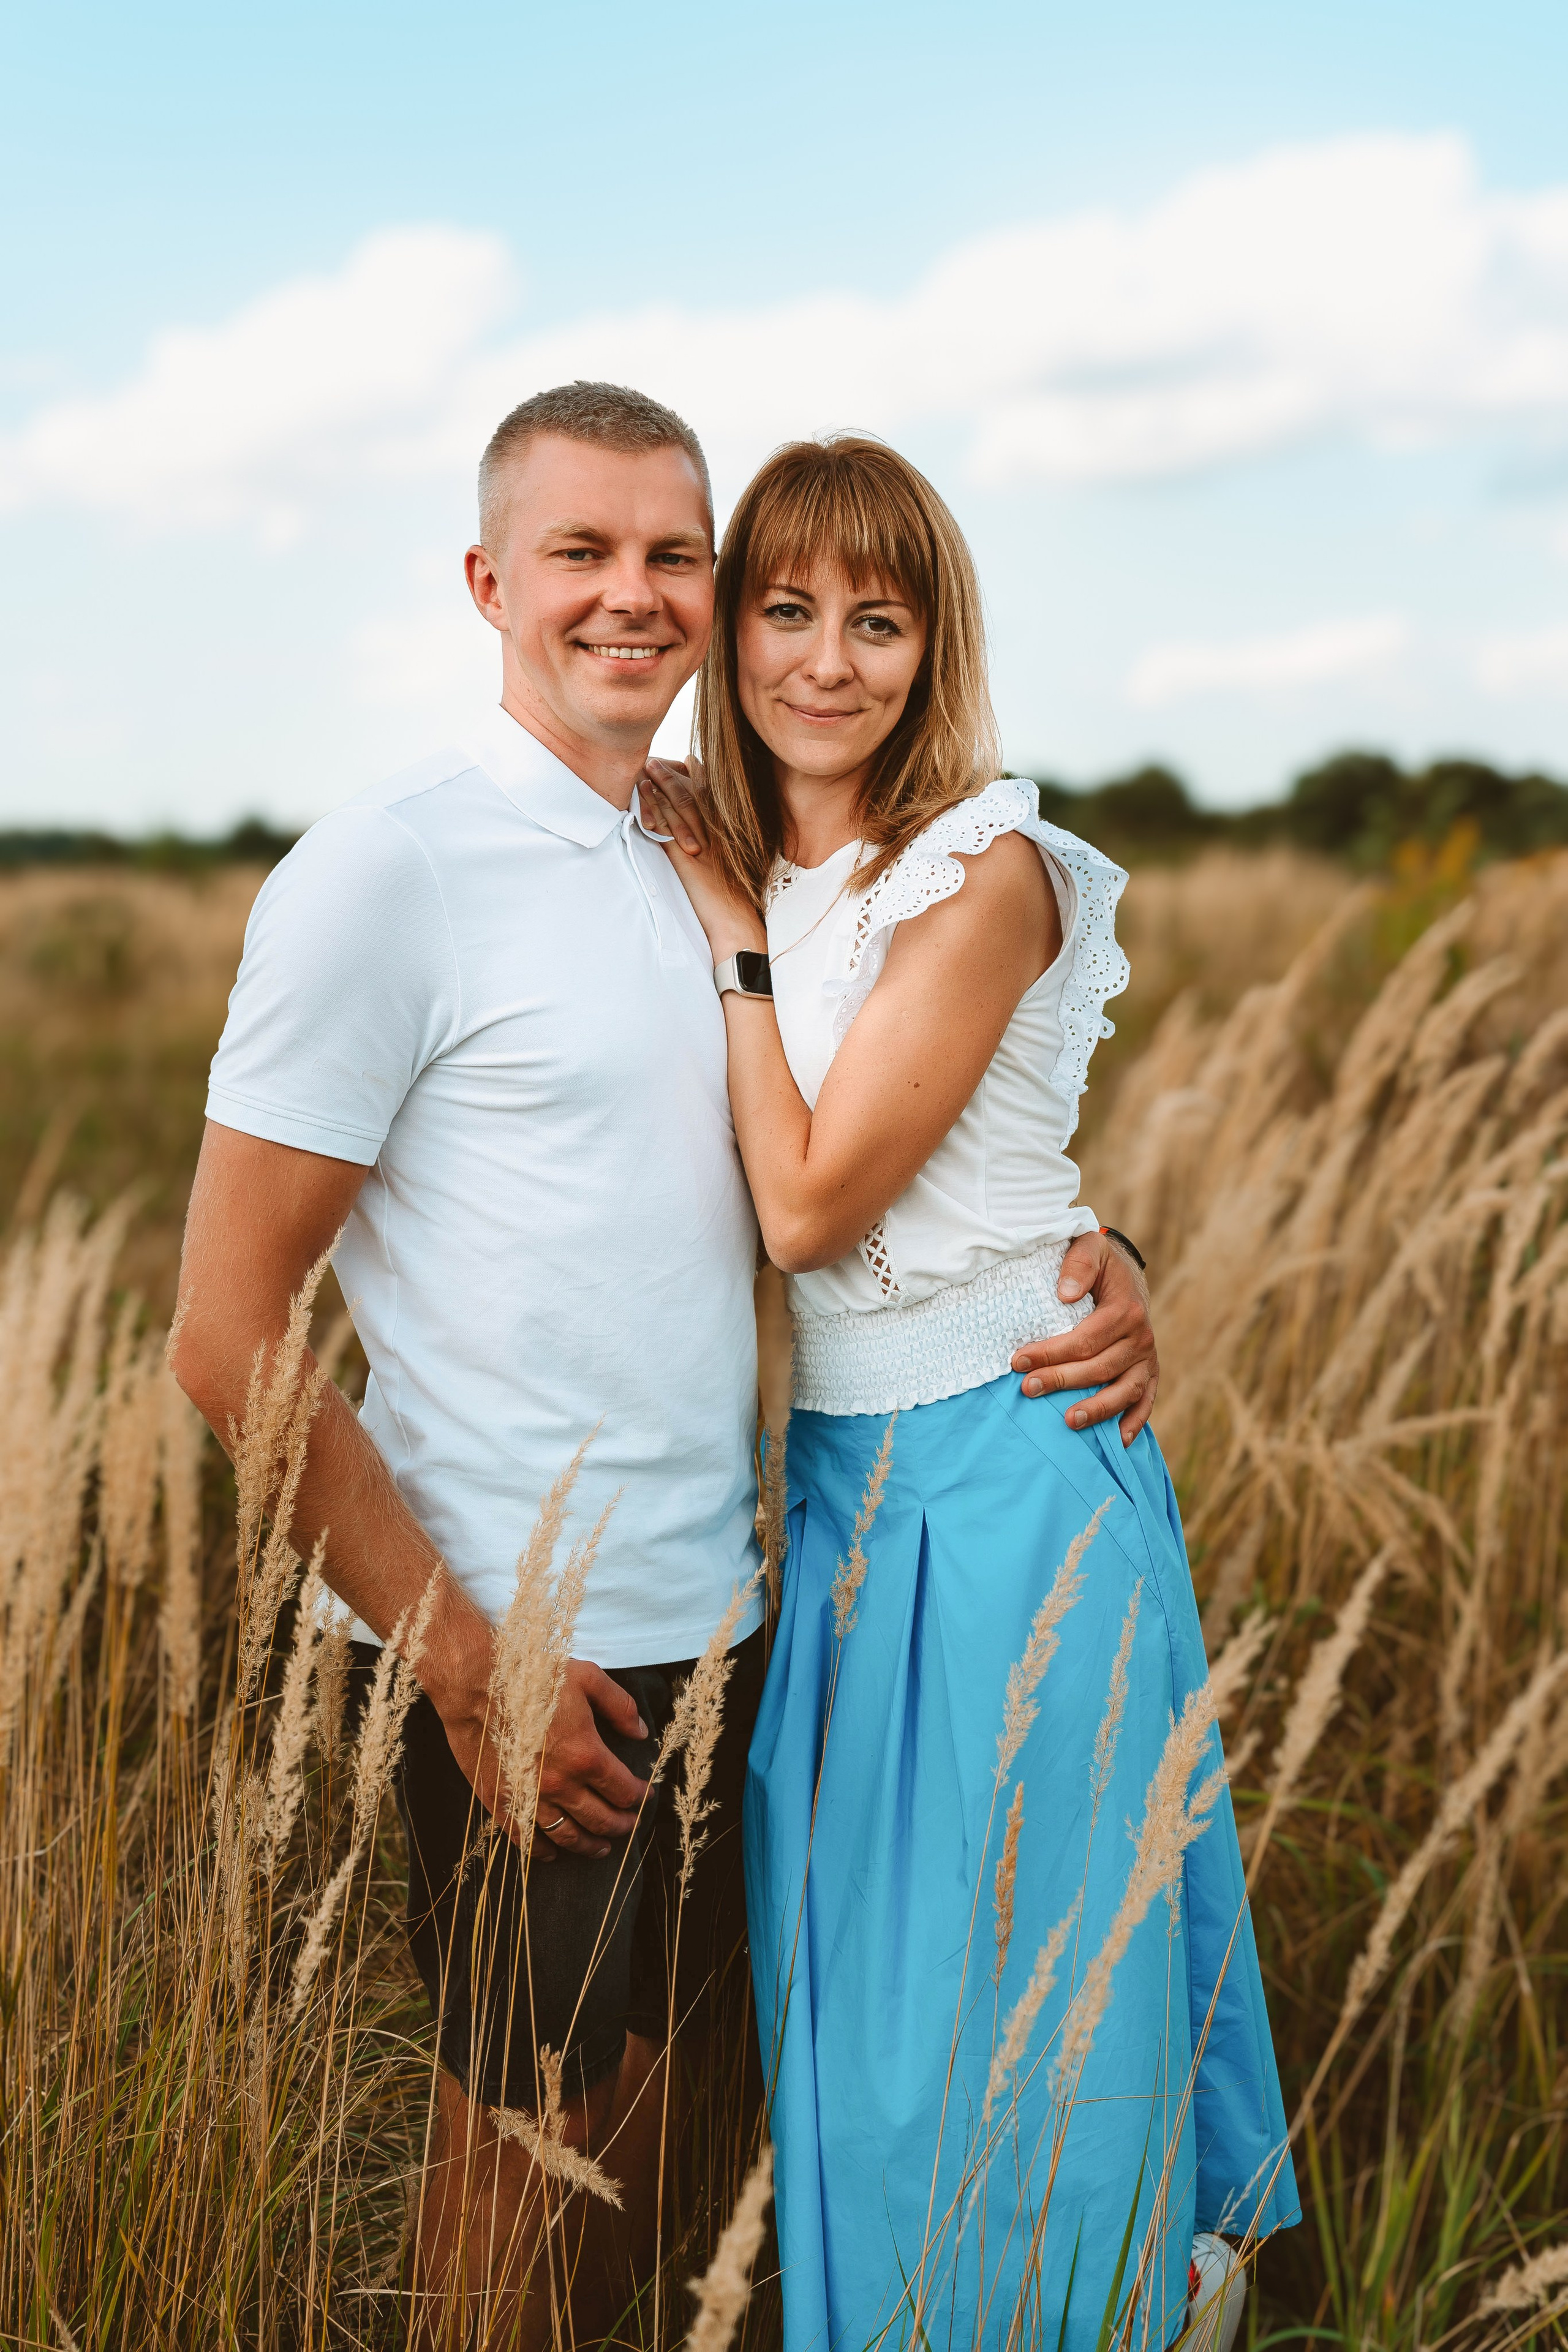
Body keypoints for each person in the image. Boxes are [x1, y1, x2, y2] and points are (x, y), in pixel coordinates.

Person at [170, 383, 1161, 2346]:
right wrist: (470, 1661)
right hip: (526, 1649)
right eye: (580, 553)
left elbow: (894, 1165)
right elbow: (227, 1334)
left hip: (745, 1624)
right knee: (512, 2174)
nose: (633, 596)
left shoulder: (711, 858)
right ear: (487, 582)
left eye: (671, 556)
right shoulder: (392, 871)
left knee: (660, 2155)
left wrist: (1100, 1255)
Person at [640, 433, 1299, 2352]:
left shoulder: (983, 868)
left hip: (1009, 1484)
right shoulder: (718, 854)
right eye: (784, 609)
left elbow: (810, 1203)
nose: (826, 660)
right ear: (731, 626)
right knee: (874, 2035)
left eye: (878, 618)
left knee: (1035, 2015)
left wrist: (738, 950)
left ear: (934, 649)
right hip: (844, 1495)